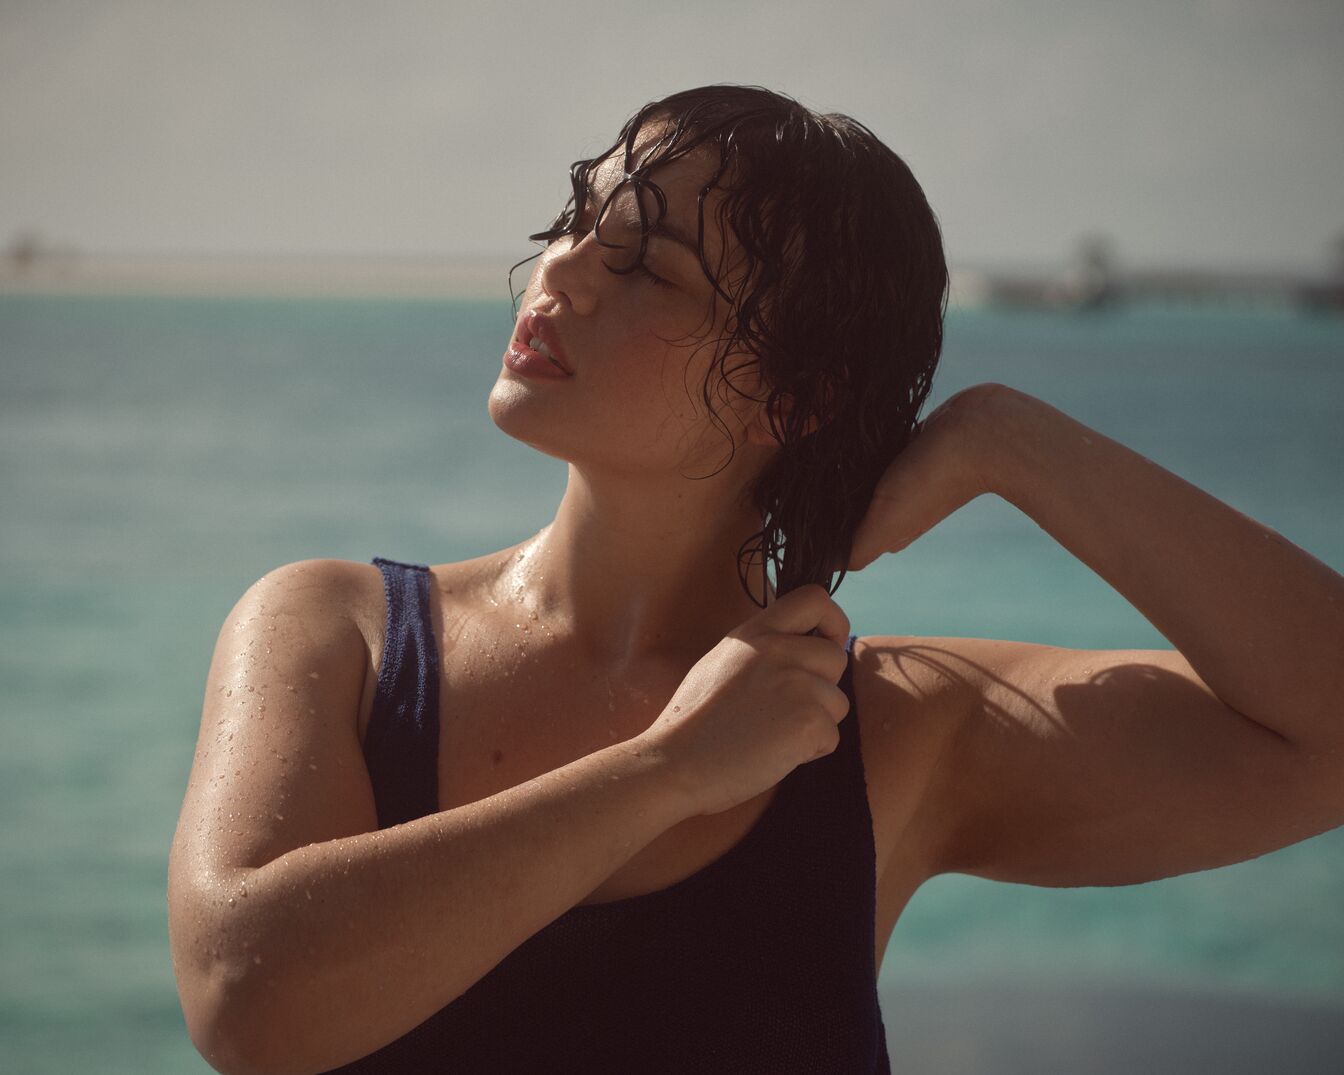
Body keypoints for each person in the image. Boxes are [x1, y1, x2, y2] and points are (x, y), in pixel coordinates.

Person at [167, 84, 1344, 1073]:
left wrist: (1009, 441)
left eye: (649, 268)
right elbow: (244, 993)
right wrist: (665, 772)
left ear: (795, 397)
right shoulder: (340, 631)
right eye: (579, 220)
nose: (562, 271)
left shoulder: (889, 731)